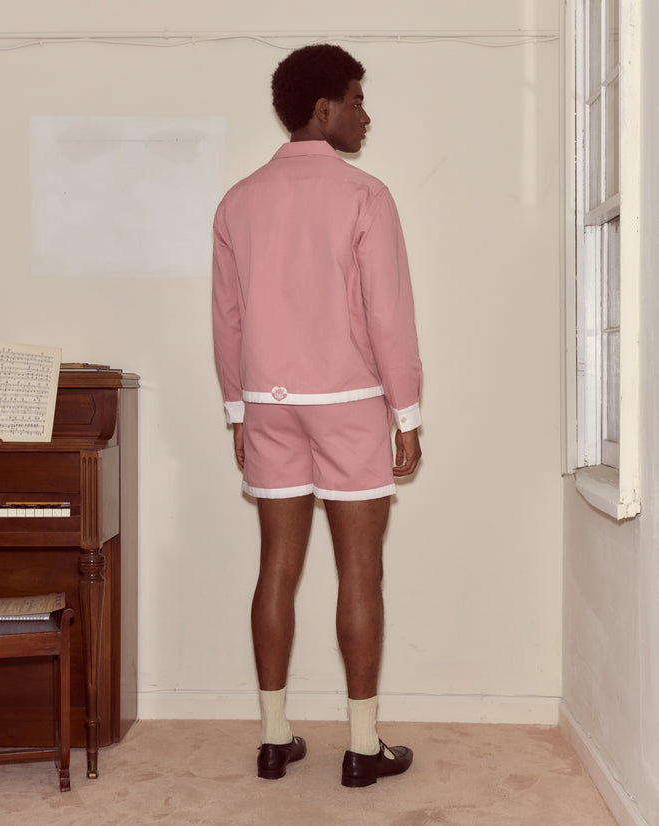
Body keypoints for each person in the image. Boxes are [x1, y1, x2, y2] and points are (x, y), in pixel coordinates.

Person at [212, 43, 422, 788]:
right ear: (322, 108)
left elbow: (227, 319)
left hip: (268, 404)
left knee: (276, 567)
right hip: (347, 404)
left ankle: (275, 740)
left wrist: (236, 408)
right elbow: (388, 316)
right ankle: (363, 749)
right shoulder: (365, 196)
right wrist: (409, 413)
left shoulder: (238, 200)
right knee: (360, 572)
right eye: (357, 99)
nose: (366, 115)